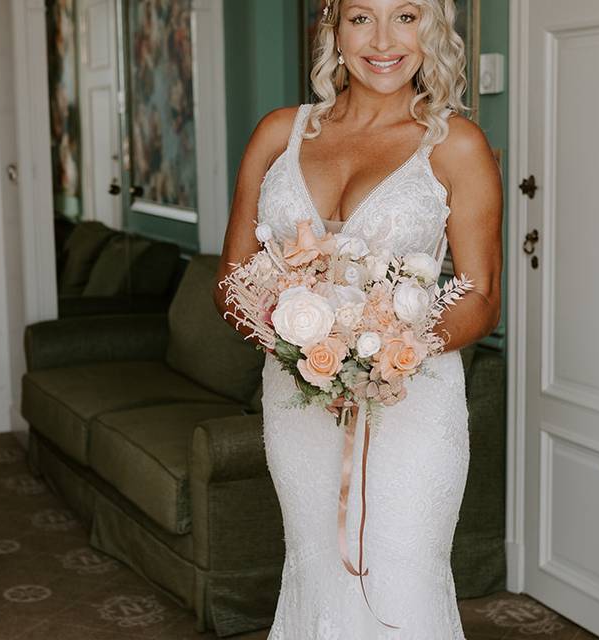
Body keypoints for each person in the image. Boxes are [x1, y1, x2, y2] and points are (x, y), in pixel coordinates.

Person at [212, 0, 502, 636]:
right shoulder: (277, 134)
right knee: (316, 564)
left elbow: (480, 296)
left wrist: (387, 350)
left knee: (402, 572)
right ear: (333, 27)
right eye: (361, 17)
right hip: (299, 397)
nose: (383, 40)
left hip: (413, 402)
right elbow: (232, 281)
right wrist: (296, 342)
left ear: (431, 30)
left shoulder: (456, 145)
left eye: (405, 16)